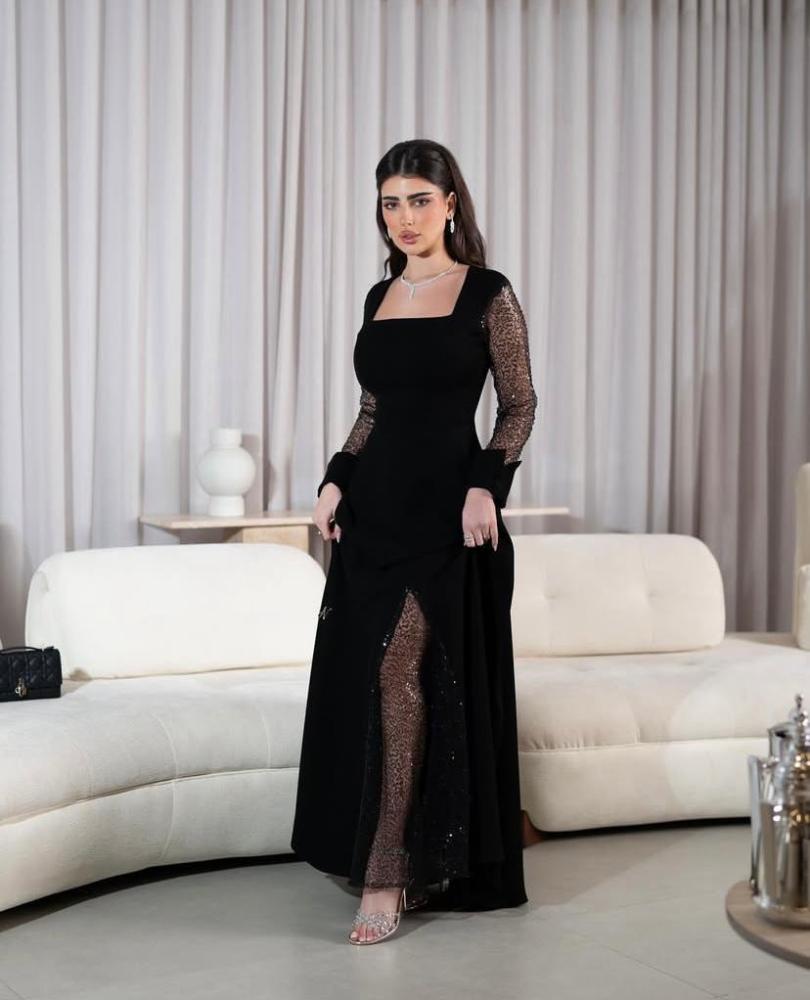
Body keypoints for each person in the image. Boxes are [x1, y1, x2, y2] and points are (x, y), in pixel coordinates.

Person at [290, 138, 538, 945]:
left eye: (420, 201)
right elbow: (373, 411)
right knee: (371, 680)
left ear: (450, 204)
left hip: (446, 520)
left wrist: (486, 487)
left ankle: (389, 871)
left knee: (401, 671)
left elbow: (519, 404)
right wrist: (335, 479)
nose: (404, 217)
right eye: (391, 202)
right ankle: (393, 843)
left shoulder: (488, 293)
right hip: (373, 517)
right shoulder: (380, 296)